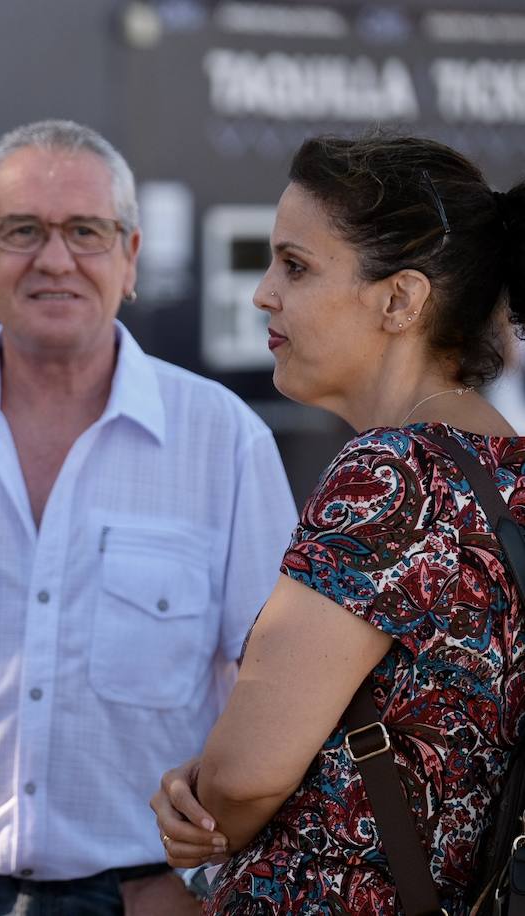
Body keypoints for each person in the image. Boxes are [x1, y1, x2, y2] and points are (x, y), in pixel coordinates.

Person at [0, 119, 296, 914]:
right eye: (24, 231)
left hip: (145, 895)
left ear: (130, 257)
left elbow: (277, 702)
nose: (55, 259)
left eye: (86, 231)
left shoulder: (225, 442)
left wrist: (199, 885)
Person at [151, 134, 525, 913]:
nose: (264, 294)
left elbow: (243, 779)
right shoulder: (507, 470)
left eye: (296, 265)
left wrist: (202, 795)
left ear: (400, 300)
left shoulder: (390, 479)